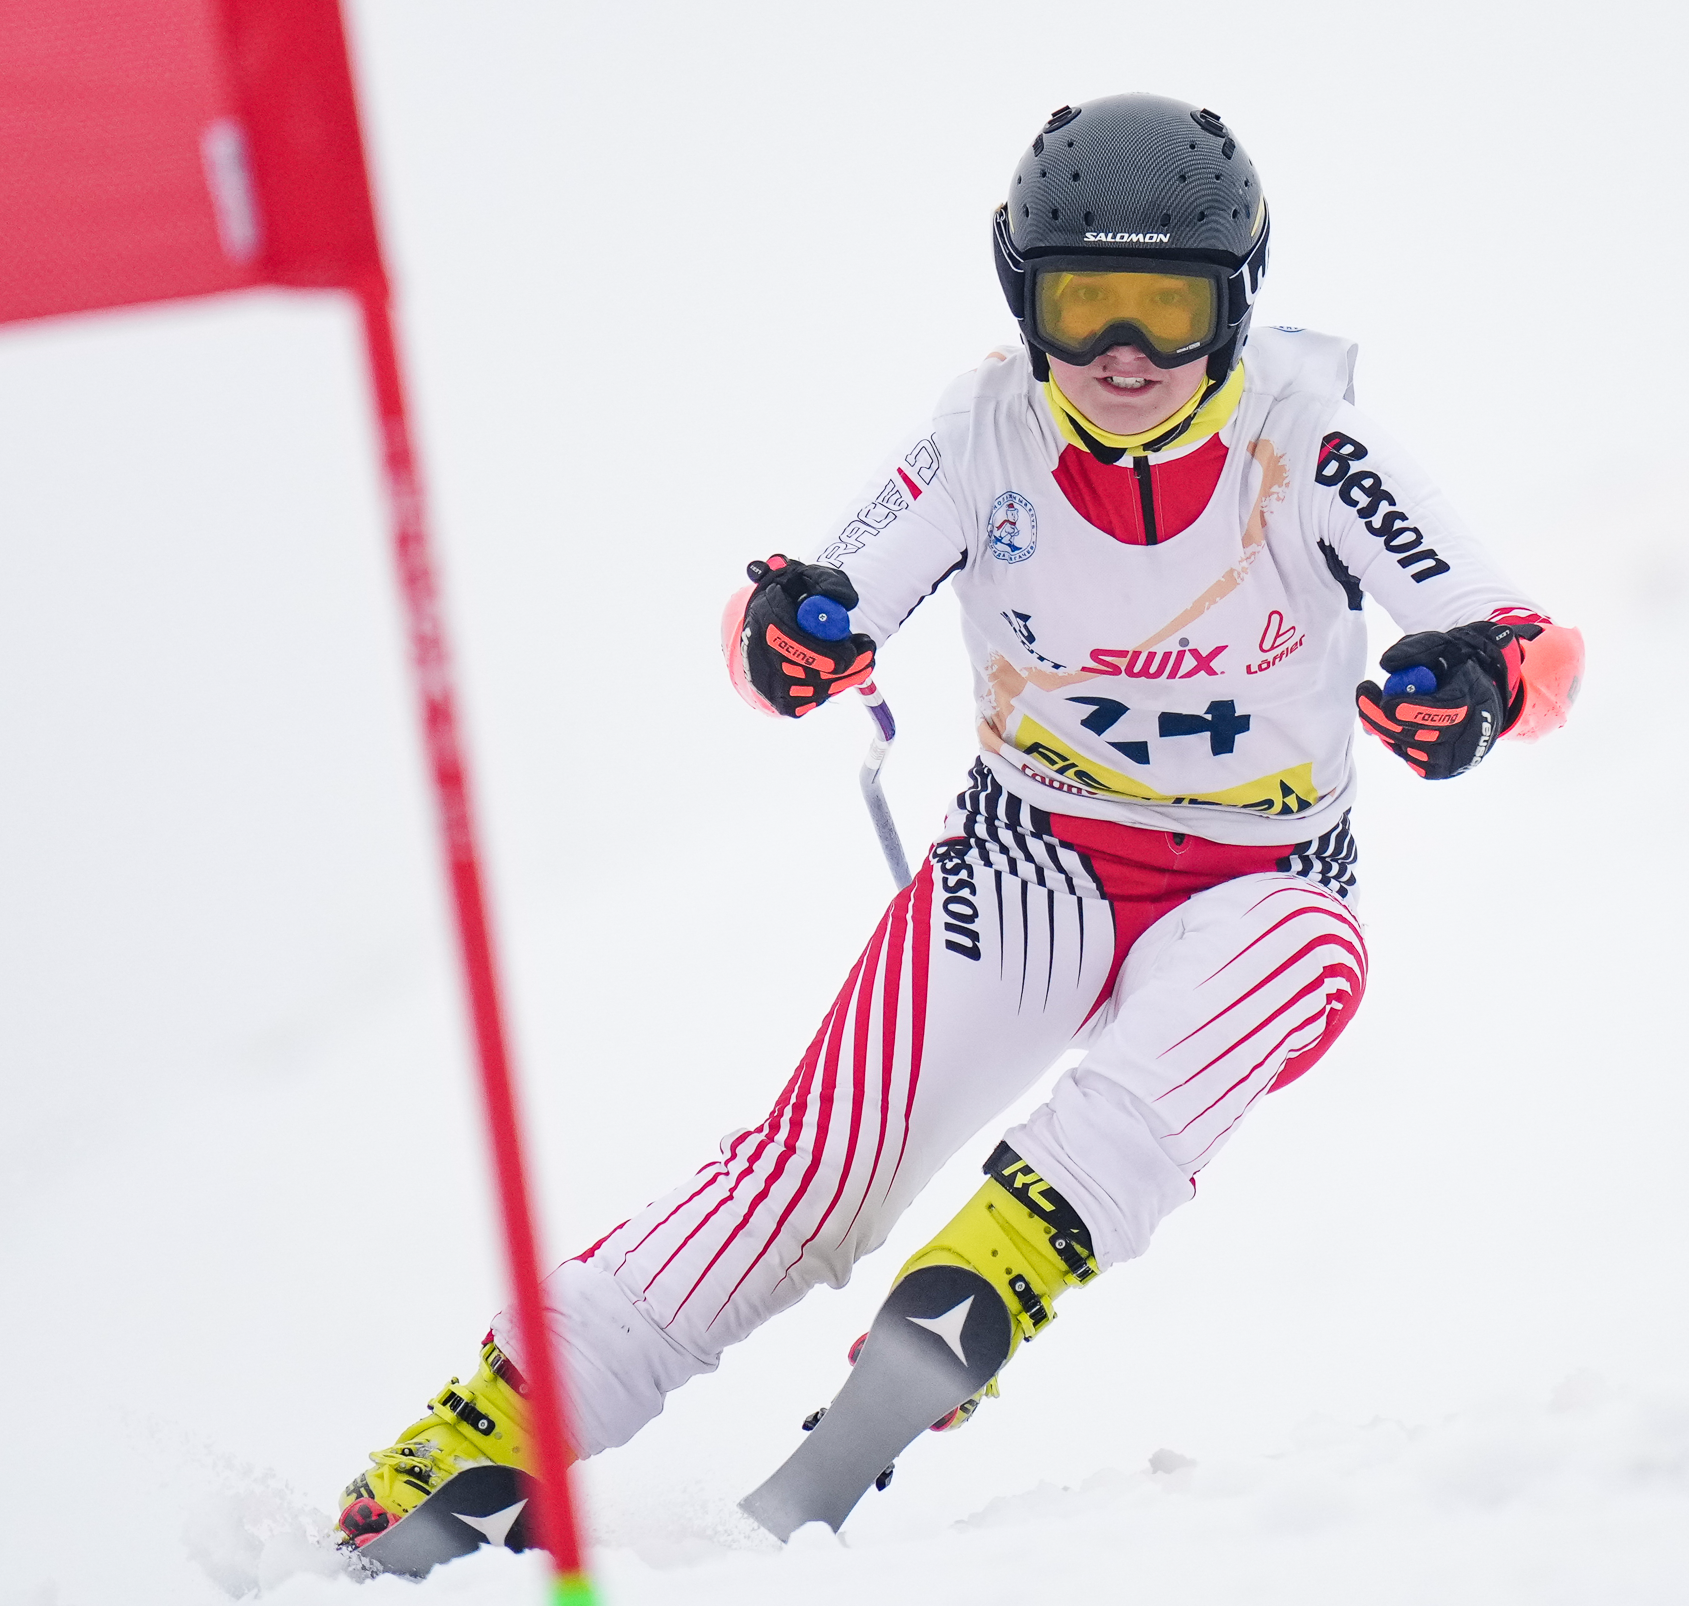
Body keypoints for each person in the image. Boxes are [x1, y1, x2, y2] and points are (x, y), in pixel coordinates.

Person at [334, 93, 1584, 1549]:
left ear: (1237, 303)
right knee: (813, 1170)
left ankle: (995, 1264)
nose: (1124, 357)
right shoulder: (982, 427)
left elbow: (1532, 644)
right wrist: (786, 637)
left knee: (1306, 956)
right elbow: (801, 596)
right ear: (1021, 293)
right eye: (1084, 305)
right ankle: (486, 1433)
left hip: (1259, 870)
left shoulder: (1308, 440)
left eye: (1167, 312)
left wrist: (1477, 684)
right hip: (1033, 855)